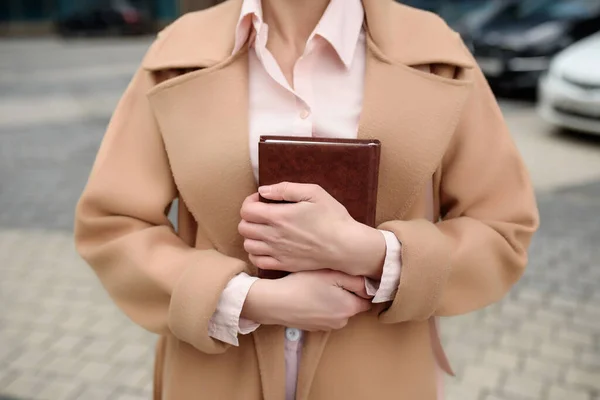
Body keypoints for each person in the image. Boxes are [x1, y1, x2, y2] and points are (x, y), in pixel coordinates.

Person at [74, 0, 539, 398]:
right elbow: (114, 224)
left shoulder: (435, 49)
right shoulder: (178, 50)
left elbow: (501, 225)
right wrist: (251, 299)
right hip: (213, 376)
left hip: (380, 375)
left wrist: (372, 254)